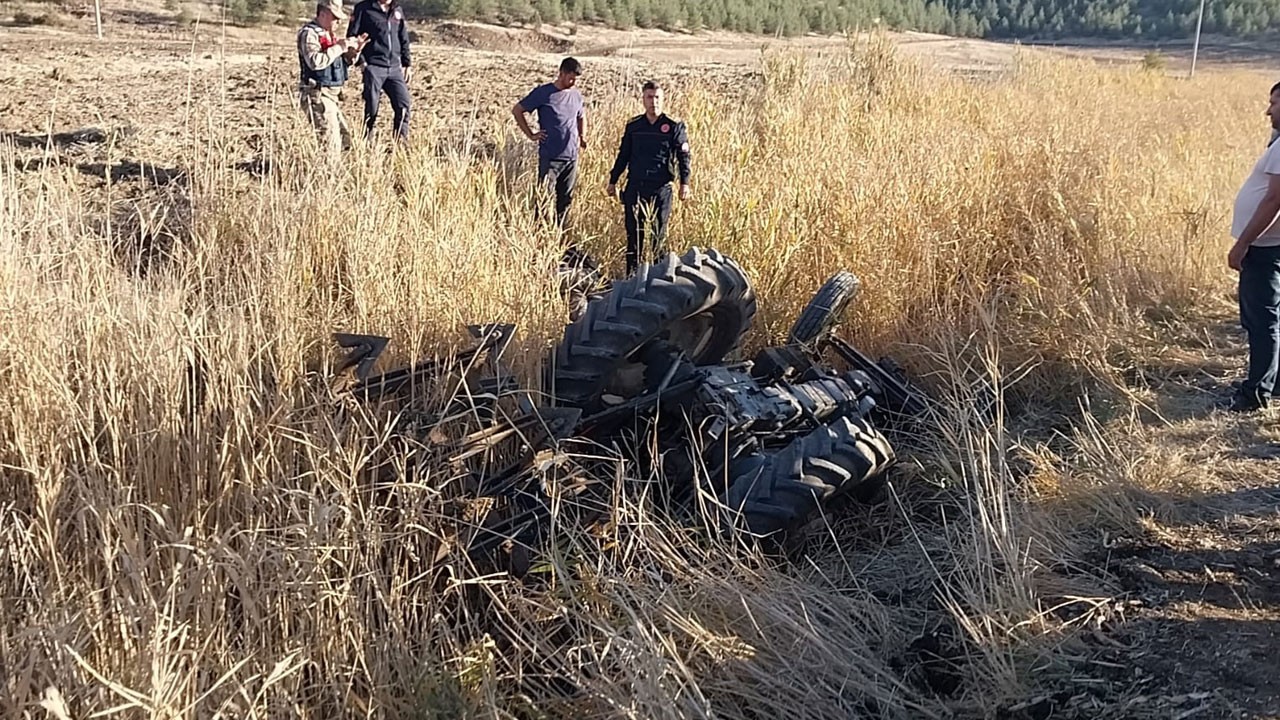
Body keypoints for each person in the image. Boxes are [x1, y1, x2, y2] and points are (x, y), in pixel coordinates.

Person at [1227, 80, 1280, 412]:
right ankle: (1271, 383)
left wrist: (1246, 242)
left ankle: (1255, 393)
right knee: (1269, 317)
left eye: (1274, 103)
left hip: (1264, 247)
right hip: (1269, 244)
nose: (1268, 110)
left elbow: (1275, 199)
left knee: (1262, 321)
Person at [606, 80, 692, 275]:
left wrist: (684, 183)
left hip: (661, 188)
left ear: (663, 99)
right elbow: (623, 155)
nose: (654, 102)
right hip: (635, 187)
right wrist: (613, 180)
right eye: (650, 97)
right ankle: (631, 280)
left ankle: (656, 282)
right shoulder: (634, 126)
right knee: (634, 237)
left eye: (657, 98)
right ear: (643, 99)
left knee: (657, 238)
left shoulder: (673, 126)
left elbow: (684, 156)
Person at [512, 57, 586, 232]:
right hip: (550, 158)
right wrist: (531, 134)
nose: (573, 82)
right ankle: (539, 236)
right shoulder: (544, 93)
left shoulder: (576, 95)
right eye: (571, 77)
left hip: (571, 158)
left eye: (576, 78)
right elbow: (517, 110)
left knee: (565, 200)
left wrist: (582, 136)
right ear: (561, 73)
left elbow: (581, 115)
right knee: (544, 199)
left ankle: (560, 238)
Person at [296, 0, 366, 159]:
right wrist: (340, 47)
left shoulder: (329, 35)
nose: (339, 22)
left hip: (331, 96)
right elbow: (315, 62)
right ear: (322, 14)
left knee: (345, 139)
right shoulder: (309, 34)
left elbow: (339, 64)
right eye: (335, 17)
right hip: (317, 95)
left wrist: (353, 52)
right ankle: (327, 179)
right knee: (330, 145)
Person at [346, 0, 412, 142]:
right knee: (372, 107)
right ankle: (367, 142)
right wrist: (362, 63)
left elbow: (403, 37)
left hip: (394, 68)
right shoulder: (363, 9)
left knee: (403, 105)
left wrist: (407, 63)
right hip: (374, 67)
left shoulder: (397, 10)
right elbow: (352, 37)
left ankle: (400, 143)